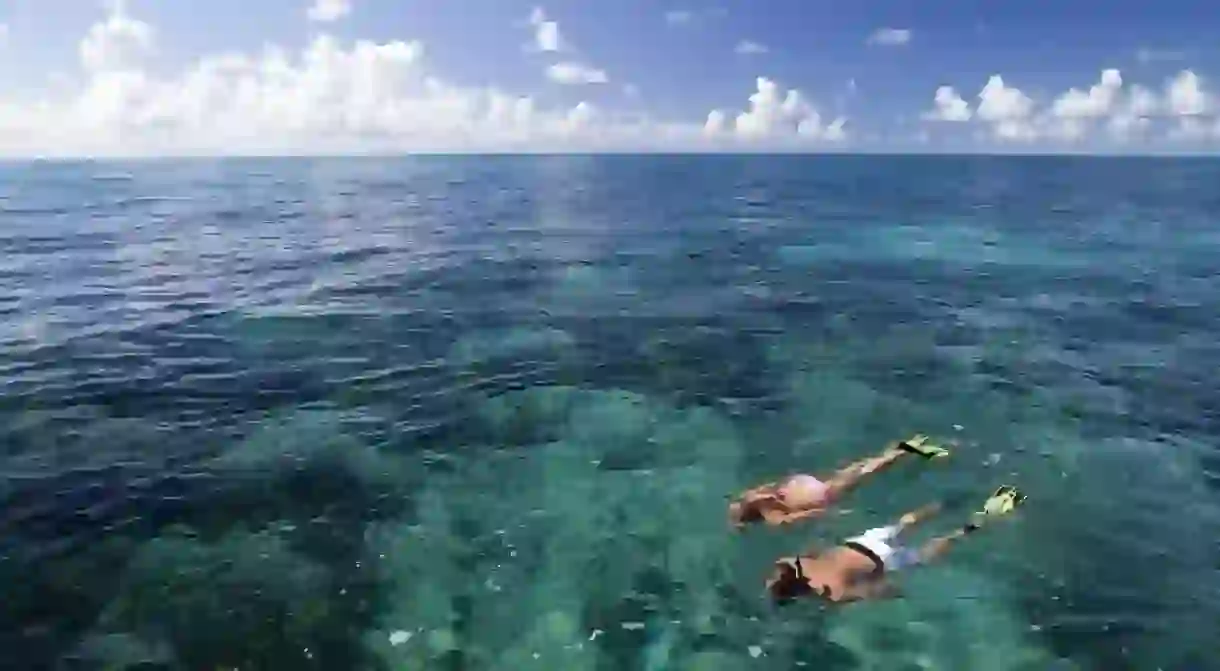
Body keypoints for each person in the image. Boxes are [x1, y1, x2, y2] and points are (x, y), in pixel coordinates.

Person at [763, 486, 1026, 605]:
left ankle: (976, 523)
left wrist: (896, 593)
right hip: (860, 543)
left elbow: (871, 591)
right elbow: (815, 547)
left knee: (925, 553)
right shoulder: (791, 561)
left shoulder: (833, 593)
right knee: (905, 522)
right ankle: (950, 502)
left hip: (883, 561)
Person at [728, 435, 950, 529]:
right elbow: (769, 488)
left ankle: (902, 451)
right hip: (802, 484)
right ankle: (894, 450)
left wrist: (829, 514)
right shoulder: (751, 496)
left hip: (818, 495)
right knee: (852, 472)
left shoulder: (771, 518)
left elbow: (800, 516)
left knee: (862, 476)